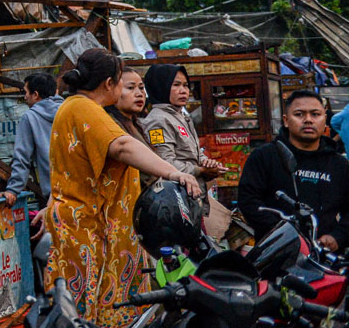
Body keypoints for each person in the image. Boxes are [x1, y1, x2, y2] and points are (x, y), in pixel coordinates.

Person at [45, 48, 202, 328]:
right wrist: (173, 172)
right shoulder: (83, 107)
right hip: (86, 226)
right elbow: (122, 146)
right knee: (89, 310)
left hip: (91, 222)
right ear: (108, 84)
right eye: (123, 83)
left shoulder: (76, 107)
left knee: (101, 303)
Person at [237, 90, 349, 251]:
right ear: (286, 120)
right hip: (275, 254)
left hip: (325, 256)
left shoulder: (339, 164)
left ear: (325, 120)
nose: (308, 120)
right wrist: (285, 234)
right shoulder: (264, 157)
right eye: (299, 114)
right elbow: (248, 202)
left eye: (315, 114)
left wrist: (337, 237)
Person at [140, 64, 224, 204]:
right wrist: (200, 170)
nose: (183, 91)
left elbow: (193, 154)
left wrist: (206, 162)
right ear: (161, 86)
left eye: (186, 85)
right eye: (176, 85)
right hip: (175, 198)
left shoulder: (181, 116)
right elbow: (164, 162)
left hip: (191, 195)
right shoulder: (158, 121)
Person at [4, 72, 64, 209]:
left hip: (54, 195)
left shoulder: (30, 117)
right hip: (83, 190)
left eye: (26, 92)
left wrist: (13, 189)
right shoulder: (71, 109)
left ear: (35, 95)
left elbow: (22, 157)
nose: (24, 97)